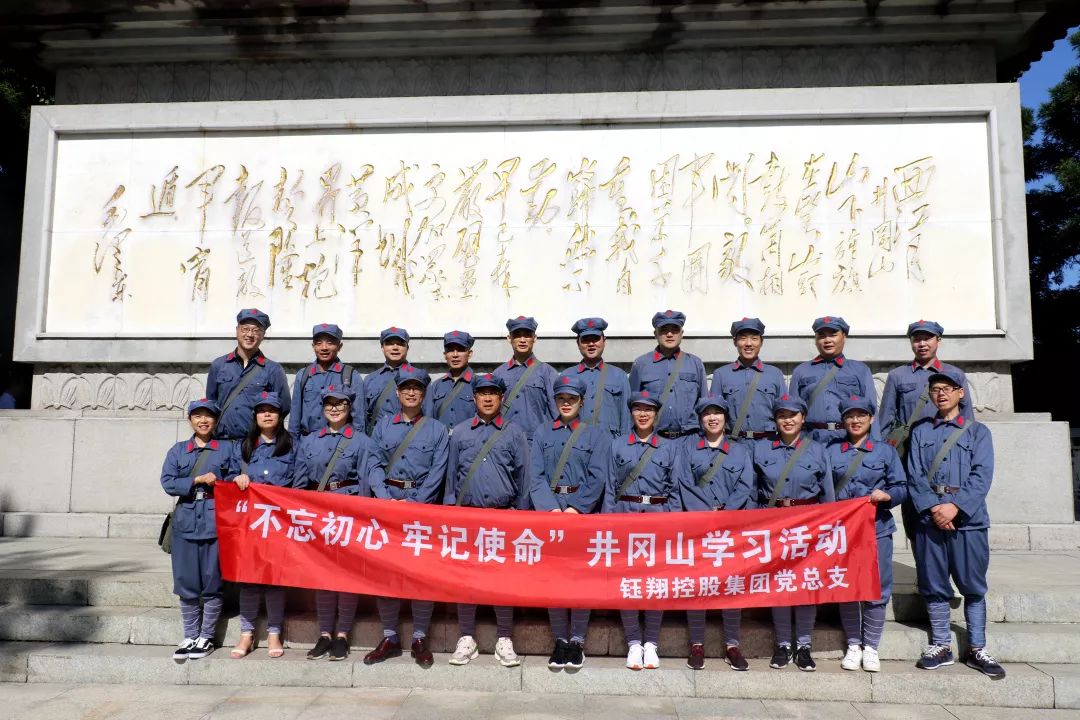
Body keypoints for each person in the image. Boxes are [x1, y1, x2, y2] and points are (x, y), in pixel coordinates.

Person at [907, 369, 1004, 678]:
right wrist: (935, 508)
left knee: (972, 586)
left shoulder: (978, 432)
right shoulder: (921, 431)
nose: (941, 393)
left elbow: (982, 475)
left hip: (968, 521)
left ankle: (977, 647)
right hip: (930, 518)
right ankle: (941, 644)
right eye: (936, 389)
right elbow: (914, 474)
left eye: (948, 388)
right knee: (934, 585)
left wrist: (955, 508)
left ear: (961, 393)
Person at [364, 364, 450, 668]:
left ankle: (419, 637)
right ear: (398, 393)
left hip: (420, 509)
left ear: (424, 394)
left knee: (420, 574)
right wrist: (386, 499)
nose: (411, 393)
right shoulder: (383, 427)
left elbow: (438, 472)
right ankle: (389, 636)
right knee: (386, 574)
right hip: (387, 506)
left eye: (417, 388)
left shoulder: (437, 430)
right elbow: (373, 463)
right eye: (405, 388)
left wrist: (415, 503)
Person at [444, 373, 530, 667]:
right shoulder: (460, 433)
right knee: (465, 579)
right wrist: (450, 512)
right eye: (483, 393)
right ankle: (466, 637)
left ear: (501, 398)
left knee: (502, 580)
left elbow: (524, 477)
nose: (488, 398)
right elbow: (451, 478)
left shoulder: (514, 433)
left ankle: (504, 637)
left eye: (494, 393)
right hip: (467, 516)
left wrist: (519, 516)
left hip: (503, 517)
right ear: (474, 398)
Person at [528, 373, 610, 670]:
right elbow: (535, 476)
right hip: (551, 513)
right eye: (561, 399)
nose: (566, 403)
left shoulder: (596, 435)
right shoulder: (542, 433)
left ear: (582, 402)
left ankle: (577, 641)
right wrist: (551, 510)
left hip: (581, 514)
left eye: (572, 399)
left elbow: (598, 476)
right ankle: (560, 639)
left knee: (580, 579)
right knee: (554, 579)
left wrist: (576, 509)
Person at [753, 394, 834, 672]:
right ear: (775, 420)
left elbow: (828, 495)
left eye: (793, 415)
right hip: (773, 524)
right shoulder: (761, 449)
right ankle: (783, 644)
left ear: (803, 418)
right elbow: (753, 491)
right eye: (782, 416)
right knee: (780, 584)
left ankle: (804, 645)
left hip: (807, 525)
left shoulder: (817, 450)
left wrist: (827, 530)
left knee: (805, 584)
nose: (787, 420)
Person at [826, 395, 906, 673]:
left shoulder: (885, 452)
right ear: (843, 421)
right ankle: (853, 644)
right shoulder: (831, 452)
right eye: (850, 416)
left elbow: (901, 487)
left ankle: (871, 646)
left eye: (861, 415)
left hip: (877, 529)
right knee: (848, 586)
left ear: (871, 419)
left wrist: (888, 495)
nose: (855, 420)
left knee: (877, 589)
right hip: (843, 532)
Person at [604, 390, 683, 671]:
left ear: (656, 414)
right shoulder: (617, 445)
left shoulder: (670, 448)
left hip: (658, 519)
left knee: (654, 582)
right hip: (625, 516)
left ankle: (651, 642)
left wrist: (673, 524)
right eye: (638, 409)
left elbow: (675, 489)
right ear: (631, 413)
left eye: (648, 409)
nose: (643, 414)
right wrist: (609, 524)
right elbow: (610, 487)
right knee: (627, 581)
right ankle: (633, 642)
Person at [675, 395, 755, 671]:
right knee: (698, 584)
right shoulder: (688, 449)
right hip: (698, 525)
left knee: (731, 585)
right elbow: (683, 483)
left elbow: (745, 485)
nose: (712, 418)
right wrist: (705, 515)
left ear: (725, 418)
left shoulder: (740, 451)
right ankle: (696, 644)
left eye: (717, 413)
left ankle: (732, 645)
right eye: (707, 413)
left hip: (729, 528)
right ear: (700, 419)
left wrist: (725, 514)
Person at [293, 386, 369, 662]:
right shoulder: (309, 441)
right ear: (323, 408)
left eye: (340, 404)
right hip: (318, 514)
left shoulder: (361, 441)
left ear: (349, 408)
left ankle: (343, 635)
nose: (335, 409)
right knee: (322, 575)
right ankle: (325, 633)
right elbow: (300, 481)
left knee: (346, 575)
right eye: (329, 404)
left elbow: (364, 482)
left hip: (348, 512)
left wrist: (362, 516)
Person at [880, 320, 974, 542]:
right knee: (915, 512)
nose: (922, 344)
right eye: (917, 339)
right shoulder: (898, 376)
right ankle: (922, 558)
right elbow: (885, 419)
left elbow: (967, 419)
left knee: (950, 507)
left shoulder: (955, 374)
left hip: (948, 451)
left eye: (927, 338)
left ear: (938, 340)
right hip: (910, 455)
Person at [159, 398, 235, 661]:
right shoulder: (178, 450)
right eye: (198, 416)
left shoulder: (227, 449)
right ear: (190, 420)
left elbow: (235, 478)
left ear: (216, 420)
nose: (203, 421)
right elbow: (168, 482)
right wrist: (197, 480)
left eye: (208, 416)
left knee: (212, 580)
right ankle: (190, 635)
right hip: (186, 521)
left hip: (215, 521)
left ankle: (207, 637)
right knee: (186, 581)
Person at [227, 391, 296, 659]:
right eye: (262, 410)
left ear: (280, 416)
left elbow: (300, 481)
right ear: (255, 416)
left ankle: (274, 632)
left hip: (279, 523)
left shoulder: (292, 445)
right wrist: (237, 479)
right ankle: (246, 633)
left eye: (272, 410)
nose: (267, 414)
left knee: (274, 580)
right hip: (250, 524)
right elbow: (228, 475)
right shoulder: (243, 447)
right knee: (249, 580)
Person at [789, 316, 876, 444]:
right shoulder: (801, 371)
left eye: (833, 335)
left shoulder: (860, 370)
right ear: (816, 340)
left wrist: (873, 444)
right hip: (810, 440)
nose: (827, 340)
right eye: (821, 336)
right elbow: (791, 411)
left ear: (844, 337)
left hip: (848, 439)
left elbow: (872, 411)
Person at [206, 308, 291, 440]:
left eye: (256, 330)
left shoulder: (273, 369)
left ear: (263, 335)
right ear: (237, 330)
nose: (250, 334)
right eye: (245, 329)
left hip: (254, 444)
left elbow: (283, 407)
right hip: (222, 442)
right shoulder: (219, 365)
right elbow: (211, 403)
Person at [628, 310, 707, 440]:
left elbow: (704, 405)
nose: (669, 334)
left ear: (681, 334)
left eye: (675, 330)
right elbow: (631, 405)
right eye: (664, 330)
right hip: (654, 440)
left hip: (689, 440)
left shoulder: (695, 364)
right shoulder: (641, 364)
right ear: (655, 334)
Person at [710, 318, 786, 445]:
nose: (748, 343)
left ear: (761, 342)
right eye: (743, 338)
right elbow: (712, 414)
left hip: (768, 444)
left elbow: (785, 413)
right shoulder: (721, 374)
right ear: (735, 342)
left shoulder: (775, 374)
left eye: (754, 338)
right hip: (734, 445)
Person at [561, 317, 631, 439]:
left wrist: (624, 447)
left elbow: (626, 419)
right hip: (576, 444)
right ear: (578, 343)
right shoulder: (567, 376)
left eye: (595, 338)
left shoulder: (619, 376)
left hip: (610, 445)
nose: (591, 344)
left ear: (604, 341)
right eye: (585, 340)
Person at [289, 323, 362, 436]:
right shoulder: (303, 375)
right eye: (319, 343)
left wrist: (357, 443)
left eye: (330, 343)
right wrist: (294, 443)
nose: (324, 348)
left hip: (338, 441)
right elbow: (295, 416)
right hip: (307, 441)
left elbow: (358, 418)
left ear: (339, 346)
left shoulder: (351, 376)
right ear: (313, 346)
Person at [492, 315, 557, 441]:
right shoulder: (498, 374)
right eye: (517, 335)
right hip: (504, 442)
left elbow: (556, 412)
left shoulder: (547, 373)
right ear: (509, 338)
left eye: (527, 335)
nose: (522, 340)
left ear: (535, 338)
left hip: (536, 443)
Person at [423, 330, 477, 433]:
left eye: (460, 350)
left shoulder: (478, 384)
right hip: (441, 440)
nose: (455, 355)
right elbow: (428, 420)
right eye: (450, 350)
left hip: (469, 440)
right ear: (445, 355)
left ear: (469, 354)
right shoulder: (436, 386)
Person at [363, 326, 411, 434]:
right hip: (376, 438)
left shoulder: (418, 377)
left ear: (407, 348)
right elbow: (363, 416)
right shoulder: (370, 379)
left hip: (406, 438)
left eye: (400, 344)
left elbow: (427, 415)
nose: (395, 348)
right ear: (382, 347)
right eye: (389, 344)